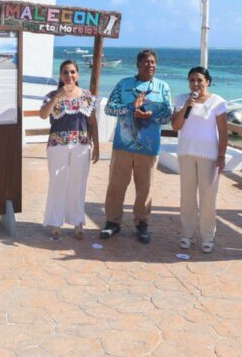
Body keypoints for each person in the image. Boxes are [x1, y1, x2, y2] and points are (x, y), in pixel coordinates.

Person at [100, 49, 172, 244]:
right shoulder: (124, 84)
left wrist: (151, 116)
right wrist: (131, 108)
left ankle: (142, 223)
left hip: (149, 148)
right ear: (138, 65)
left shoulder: (162, 87)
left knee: (145, 188)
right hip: (123, 145)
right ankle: (112, 222)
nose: (150, 65)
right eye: (146, 62)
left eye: (153, 62)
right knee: (116, 185)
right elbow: (109, 108)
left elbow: (168, 113)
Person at [39, 60, 99, 239]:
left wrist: (96, 145)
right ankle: (55, 222)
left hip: (81, 145)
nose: (69, 75)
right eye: (65, 72)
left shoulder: (87, 96)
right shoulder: (52, 95)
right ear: (60, 75)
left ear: (78, 75)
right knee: (57, 183)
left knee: (78, 183)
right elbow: (43, 115)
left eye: (72, 72)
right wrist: (58, 95)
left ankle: (77, 221)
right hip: (58, 146)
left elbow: (92, 121)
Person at [171, 66, 228, 253]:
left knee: (207, 198)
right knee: (187, 196)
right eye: (192, 80)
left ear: (207, 82)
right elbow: (175, 126)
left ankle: (207, 236)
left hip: (209, 156)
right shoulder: (181, 100)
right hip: (186, 153)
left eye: (199, 80)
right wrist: (186, 106)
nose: (195, 84)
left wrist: (221, 156)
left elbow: (223, 132)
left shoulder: (217, 102)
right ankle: (187, 234)